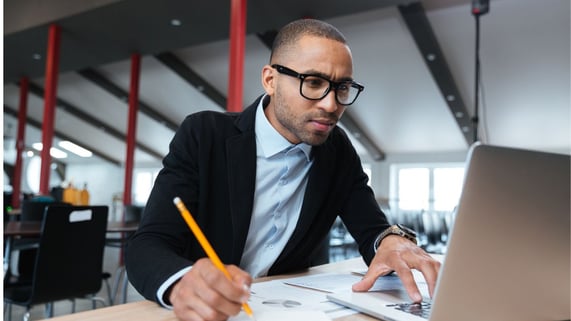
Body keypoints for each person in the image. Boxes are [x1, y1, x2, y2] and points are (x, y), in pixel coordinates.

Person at [125, 18, 441, 321]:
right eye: (313, 82)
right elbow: (147, 245)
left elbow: (373, 231)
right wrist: (183, 283)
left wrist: (391, 242)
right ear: (270, 80)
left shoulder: (337, 150)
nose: (331, 105)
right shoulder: (204, 134)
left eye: (342, 88)